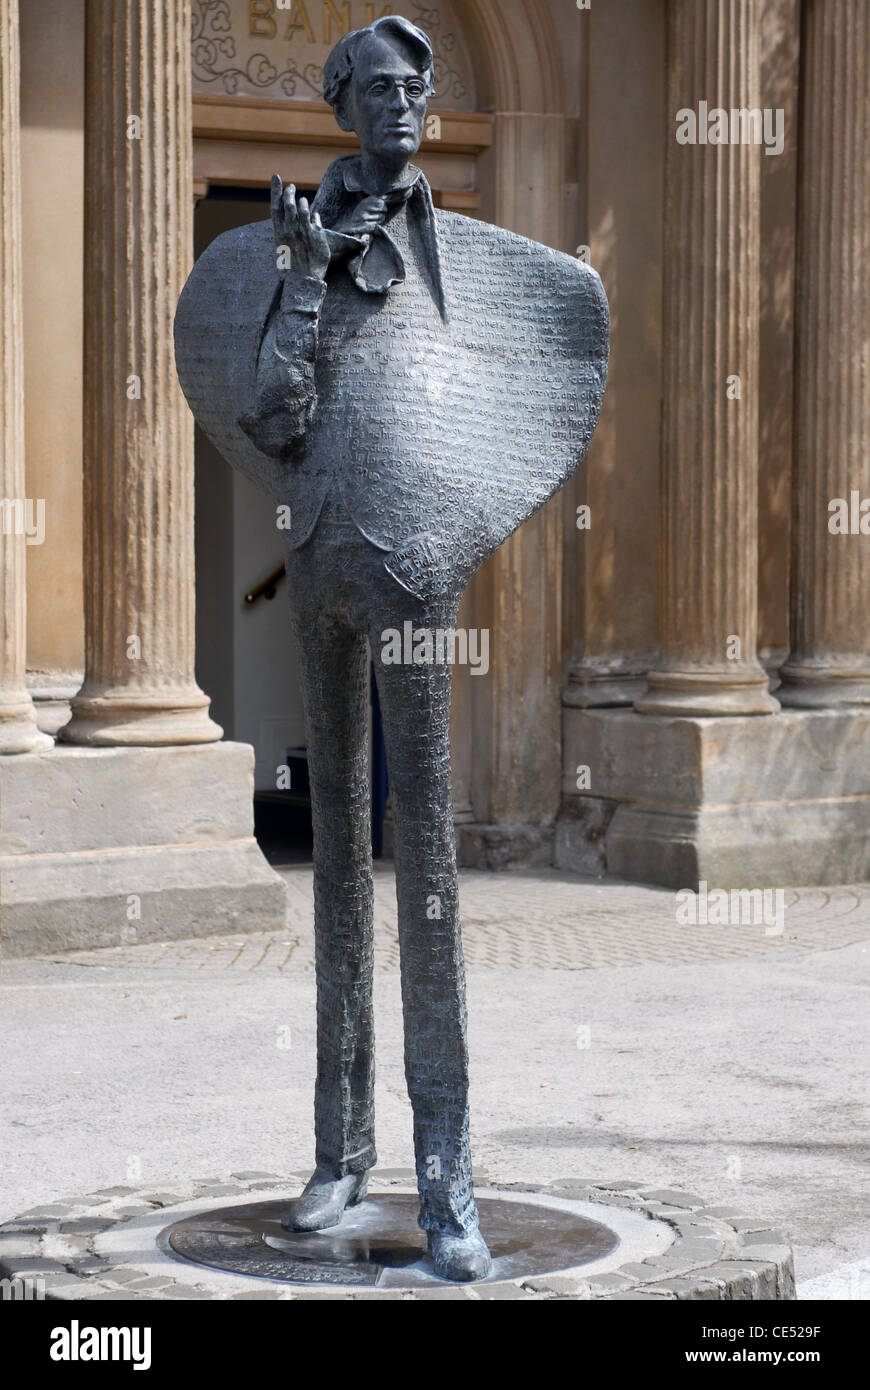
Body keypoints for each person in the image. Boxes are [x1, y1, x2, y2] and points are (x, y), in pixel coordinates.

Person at [175, 14, 608, 1282]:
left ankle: (449, 1180)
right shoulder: (288, 246)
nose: (406, 103)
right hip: (316, 567)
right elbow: (270, 413)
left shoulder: (470, 259)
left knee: (425, 871)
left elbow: (504, 398)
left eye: (419, 86)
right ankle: (337, 1151)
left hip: (420, 579)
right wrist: (305, 276)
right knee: (338, 877)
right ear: (339, 101)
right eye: (379, 86)